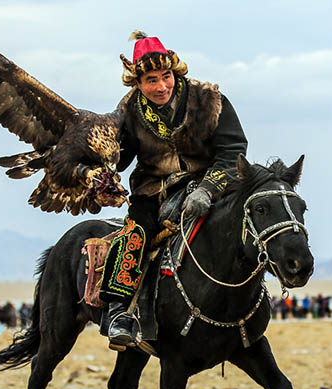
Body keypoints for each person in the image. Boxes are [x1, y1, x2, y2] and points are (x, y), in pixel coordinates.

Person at [101, 31, 248, 348]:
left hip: (210, 181)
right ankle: (119, 313)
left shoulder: (209, 99)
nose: (161, 87)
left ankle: (254, 298)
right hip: (153, 189)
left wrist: (207, 189)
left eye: (165, 76)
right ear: (137, 83)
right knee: (136, 234)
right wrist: (100, 170)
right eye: (151, 80)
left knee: (244, 224)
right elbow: (120, 159)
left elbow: (233, 150)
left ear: (175, 72)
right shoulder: (128, 110)